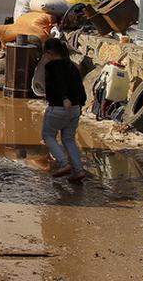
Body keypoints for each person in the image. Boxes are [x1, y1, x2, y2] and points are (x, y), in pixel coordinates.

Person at [32, 37, 88, 182]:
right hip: (75, 108)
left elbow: (58, 83)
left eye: (45, 54)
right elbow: (80, 88)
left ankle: (64, 163)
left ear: (50, 53)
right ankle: (79, 170)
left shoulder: (52, 67)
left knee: (48, 136)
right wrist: (79, 104)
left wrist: (64, 98)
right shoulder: (73, 66)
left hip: (58, 107)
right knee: (68, 139)